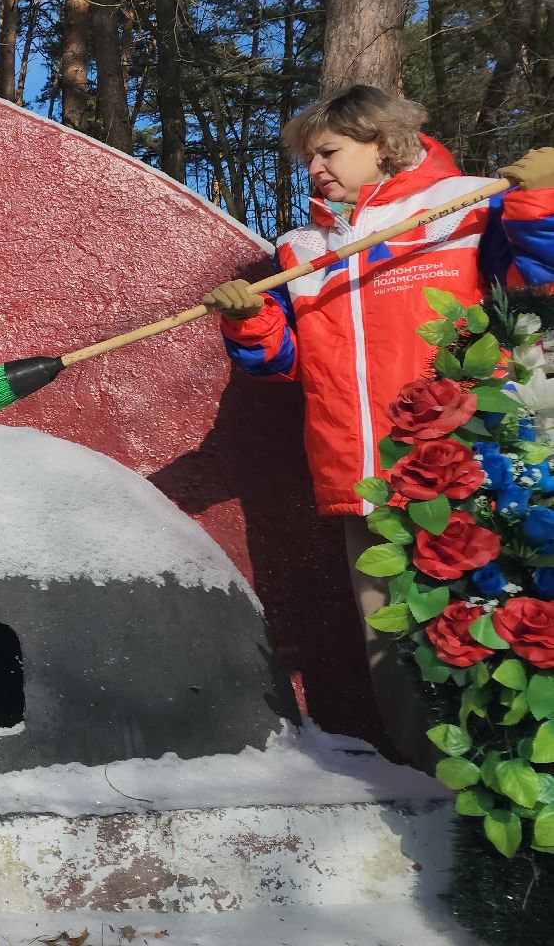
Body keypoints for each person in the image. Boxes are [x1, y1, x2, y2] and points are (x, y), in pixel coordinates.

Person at [203, 83, 554, 767]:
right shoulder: (300, 249)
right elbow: (281, 363)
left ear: (382, 144)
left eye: (328, 152)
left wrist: (540, 203)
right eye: (308, 158)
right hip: (355, 476)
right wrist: (247, 318)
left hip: (464, 468)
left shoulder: (467, 206)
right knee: (389, 643)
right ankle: (421, 779)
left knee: (486, 625)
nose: (315, 169)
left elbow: (538, 284)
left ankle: (506, 783)